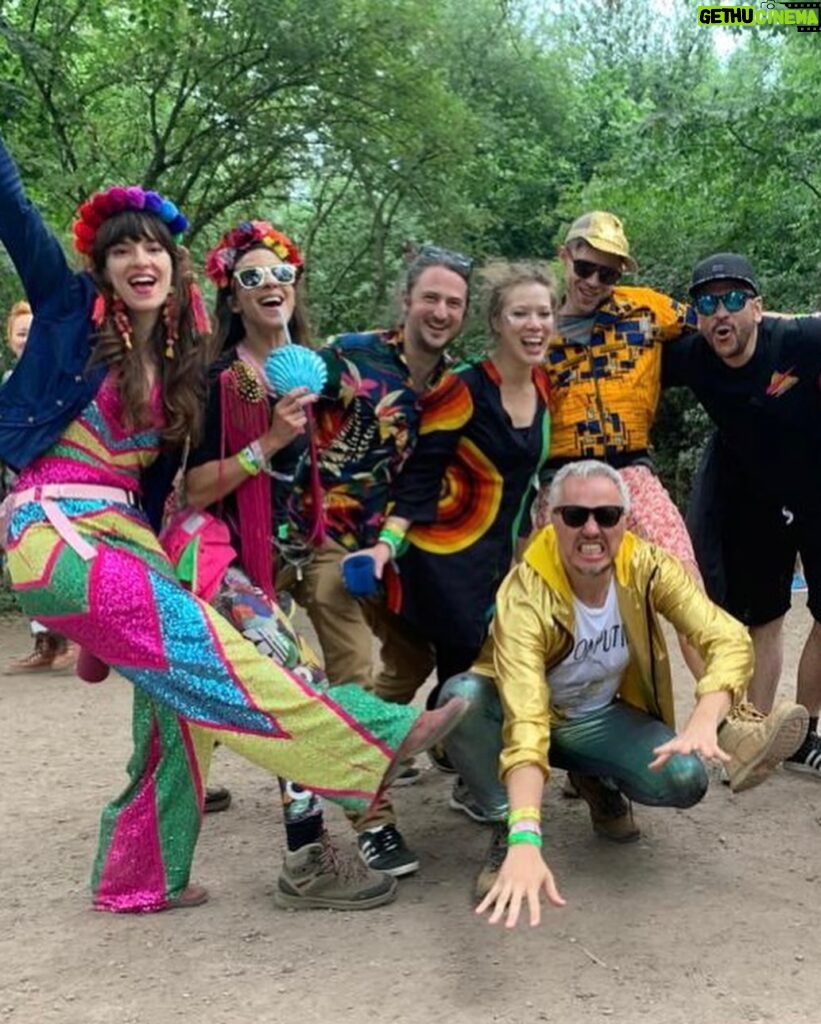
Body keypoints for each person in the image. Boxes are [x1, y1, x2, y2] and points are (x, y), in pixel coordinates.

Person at [0, 133, 466, 912]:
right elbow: (14, 214)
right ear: (102, 270)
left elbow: (170, 488)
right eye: (123, 252)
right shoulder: (68, 323)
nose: (141, 260)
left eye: (156, 248)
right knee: (223, 656)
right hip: (62, 535)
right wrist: (265, 447)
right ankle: (378, 739)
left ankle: (137, 881)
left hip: (138, 542)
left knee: (177, 715)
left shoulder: (185, 370)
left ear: (178, 270)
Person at [437, 461, 808, 928]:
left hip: (595, 718)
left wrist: (706, 717)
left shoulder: (646, 564)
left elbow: (727, 638)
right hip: (522, 716)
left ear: (624, 522)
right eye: (574, 515)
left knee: (685, 778)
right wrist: (526, 837)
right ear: (552, 521)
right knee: (463, 697)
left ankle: (597, 779)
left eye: (607, 516)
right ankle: (504, 822)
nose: (591, 529)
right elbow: (526, 718)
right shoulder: (525, 592)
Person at [183, 217, 396, 909]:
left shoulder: (319, 365)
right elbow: (189, 487)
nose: (269, 284)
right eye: (251, 277)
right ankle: (306, 856)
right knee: (285, 686)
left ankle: (374, 820)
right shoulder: (220, 381)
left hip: (319, 542)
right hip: (239, 561)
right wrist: (267, 441)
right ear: (231, 296)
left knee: (355, 669)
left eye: (280, 272)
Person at [242, 244, 472, 877]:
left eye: (453, 302)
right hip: (318, 536)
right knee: (353, 668)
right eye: (430, 297)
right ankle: (372, 817)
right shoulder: (348, 355)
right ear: (407, 300)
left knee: (413, 657)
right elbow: (268, 382)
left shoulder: (453, 384)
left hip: (386, 545)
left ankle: (377, 742)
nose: (440, 310)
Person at [355, 261, 555, 813]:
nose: (534, 324)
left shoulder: (543, 384)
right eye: (521, 313)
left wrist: (525, 565)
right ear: (496, 321)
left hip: (495, 563)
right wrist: (386, 545)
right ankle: (368, 770)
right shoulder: (462, 388)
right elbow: (418, 477)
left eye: (544, 313)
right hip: (439, 560)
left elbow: (526, 488)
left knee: (470, 670)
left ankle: (443, 766)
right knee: (467, 671)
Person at [665, 252, 821, 778]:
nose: (721, 313)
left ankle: (806, 731)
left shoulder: (797, 340)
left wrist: (780, 319)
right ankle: (754, 731)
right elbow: (628, 354)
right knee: (764, 618)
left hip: (818, 484)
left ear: (758, 306)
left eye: (734, 299)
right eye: (708, 303)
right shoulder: (693, 357)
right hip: (751, 492)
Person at [533, 211, 705, 676]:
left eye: (606, 274)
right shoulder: (536, 326)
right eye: (585, 267)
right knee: (539, 601)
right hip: (562, 475)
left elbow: (716, 319)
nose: (593, 281)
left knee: (686, 583)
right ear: (565, 256)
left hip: (630, 467)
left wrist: (793, 327)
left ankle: (733, 716)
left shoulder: (645, 309)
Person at [2, 300, 78, 675]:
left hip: (64, 487)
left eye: (35, 331)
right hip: (18, 487)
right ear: (10, 341)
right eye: (21, 333)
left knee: (62, 559)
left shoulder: (63, 379)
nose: (28, 340)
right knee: (20, 560)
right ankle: (46, 641)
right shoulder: (7, 385)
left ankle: (72, 637)